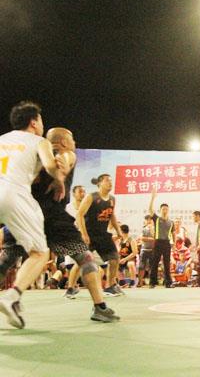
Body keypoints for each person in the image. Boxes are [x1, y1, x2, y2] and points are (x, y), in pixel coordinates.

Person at [1, 124, 119, 325]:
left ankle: (13, 297)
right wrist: (60, 175)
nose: (74, 144)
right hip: (54, 217)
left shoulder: (33, 156)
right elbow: (66, 157)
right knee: (85, 257)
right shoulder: (66, 154)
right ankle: (100, 308)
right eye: (72, 140)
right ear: (64, 142)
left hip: (25, 214)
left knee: (6, 259)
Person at [0, 102, 67, 328]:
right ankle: (11, 297)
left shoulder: (2, 139)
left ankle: (13, 300)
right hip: (14, 195)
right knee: (39, 253)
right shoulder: (39, 141)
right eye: (41, 120)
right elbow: (50, 166)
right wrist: (59, 179)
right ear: (33, 122)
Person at [77, 173, 124, 297]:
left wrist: (118, 230)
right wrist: (84, 234)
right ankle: (71, 287)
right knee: (80, 262)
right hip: (89, 235)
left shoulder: (112, 199)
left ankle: (110, 286)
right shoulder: (91, 197)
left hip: (103, 235)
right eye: (107, 180)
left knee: (114, 258)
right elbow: (79, 215)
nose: (110, 183)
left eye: (111, 180)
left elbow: (112, 215)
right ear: (99, 183)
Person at [147, 188, 174, 288]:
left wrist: (174, 244)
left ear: (168, 210)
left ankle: (168, 283)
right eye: (163, 209)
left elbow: (173, 233)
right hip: (158, 243)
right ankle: (152, 283)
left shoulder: (171, 222)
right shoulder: (157, 219)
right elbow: (150, 210)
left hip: (167, 243)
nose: (165, 210)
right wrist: (152, 198)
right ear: (160, 210)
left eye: (166, 209)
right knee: (155, 262)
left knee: (167, 263)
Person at [137, 215, 154, 287]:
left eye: (150, 219)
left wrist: (146, 238)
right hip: (144, 250)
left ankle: (152, 283)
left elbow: (155, 239)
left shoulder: (155, 229)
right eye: (147, 220)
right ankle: (140, 282)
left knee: (152, 267)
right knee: (141, 267)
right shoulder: (144, 228)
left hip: (152, 250)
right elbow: (142, 238)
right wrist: (150, 239)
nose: (149, 221)